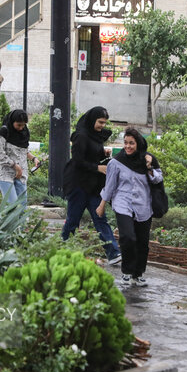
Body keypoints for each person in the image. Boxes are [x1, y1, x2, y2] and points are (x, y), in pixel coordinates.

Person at [96, 128, 163, 287]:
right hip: (123, 203)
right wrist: (102, 205)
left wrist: (148, 167)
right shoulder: (116, 162)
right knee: (128, 237)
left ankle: (138, 274)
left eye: (131, 143)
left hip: (143, 206)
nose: (128, 146)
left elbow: (158, 178)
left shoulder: (148, 159)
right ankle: (126, 272)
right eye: (125, 143)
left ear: (138, 144)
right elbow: (110, 185)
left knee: (142, 242)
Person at [62, 106, 121, 265]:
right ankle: (63, 250)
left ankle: (113, 253)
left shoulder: (95, 136)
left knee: (101, 219)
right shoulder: (81, 136)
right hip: (78, 185)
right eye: (100, 122)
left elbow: (91, 154)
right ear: (92, 119)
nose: (102, 125)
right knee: (73, 220)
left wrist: (103, 155)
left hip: (93, 186)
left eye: (104, 122)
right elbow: (78, 161)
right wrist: (97, 168)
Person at [0, 109, 40, 205]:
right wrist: (15, 166)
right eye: (19, 125)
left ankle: (21, 221)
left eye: (23, 125)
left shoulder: (24, 132)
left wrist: (34, 158)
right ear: (12, 121)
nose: (21, 128)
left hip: (21, 174)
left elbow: (24, 150)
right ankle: (6, 220)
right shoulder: (4, 132)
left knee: (22, 205)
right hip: (5, 173)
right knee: (12, 204)